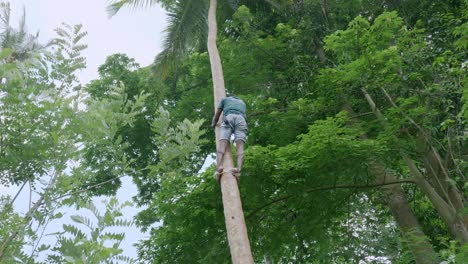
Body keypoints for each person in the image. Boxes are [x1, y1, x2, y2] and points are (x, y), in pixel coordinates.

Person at [211, 94, 247, 182]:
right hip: (241, 120)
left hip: (229, 118)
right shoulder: (242, 103)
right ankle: (238, 170)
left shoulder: (225, 99)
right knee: (240, 145)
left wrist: (214, 123)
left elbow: (218, 114)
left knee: (222, 143)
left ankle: (218, 168)